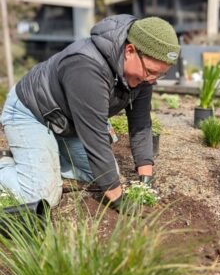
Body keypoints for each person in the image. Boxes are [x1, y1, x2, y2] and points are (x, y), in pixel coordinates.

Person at [0, 14, 180, 208]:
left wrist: (146, 177)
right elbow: (95, 136)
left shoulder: (143, 77)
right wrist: (118, 199)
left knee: (104, 176)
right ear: (130, 50)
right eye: (151, 72)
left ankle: (38, 158)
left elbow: (141, 123)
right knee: (43, 195)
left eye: (160, 74)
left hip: (67, 122)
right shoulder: (86, 65)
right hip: (31, 112)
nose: (152, 80)